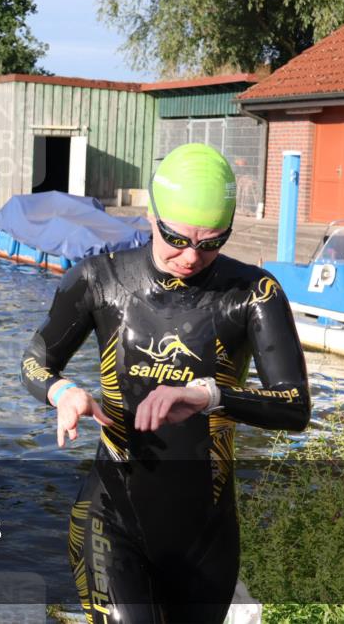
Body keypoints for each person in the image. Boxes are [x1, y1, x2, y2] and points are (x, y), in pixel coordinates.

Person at [20, 143, 311, 623]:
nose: (192, 256)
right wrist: (62, 392)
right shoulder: (100, 280)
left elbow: (295, 406)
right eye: (177, 238)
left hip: (206, 535)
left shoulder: (253, 293)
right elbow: (35, 359)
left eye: (212, 242)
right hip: (112, 517)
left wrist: (209, 394)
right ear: (152, 216)